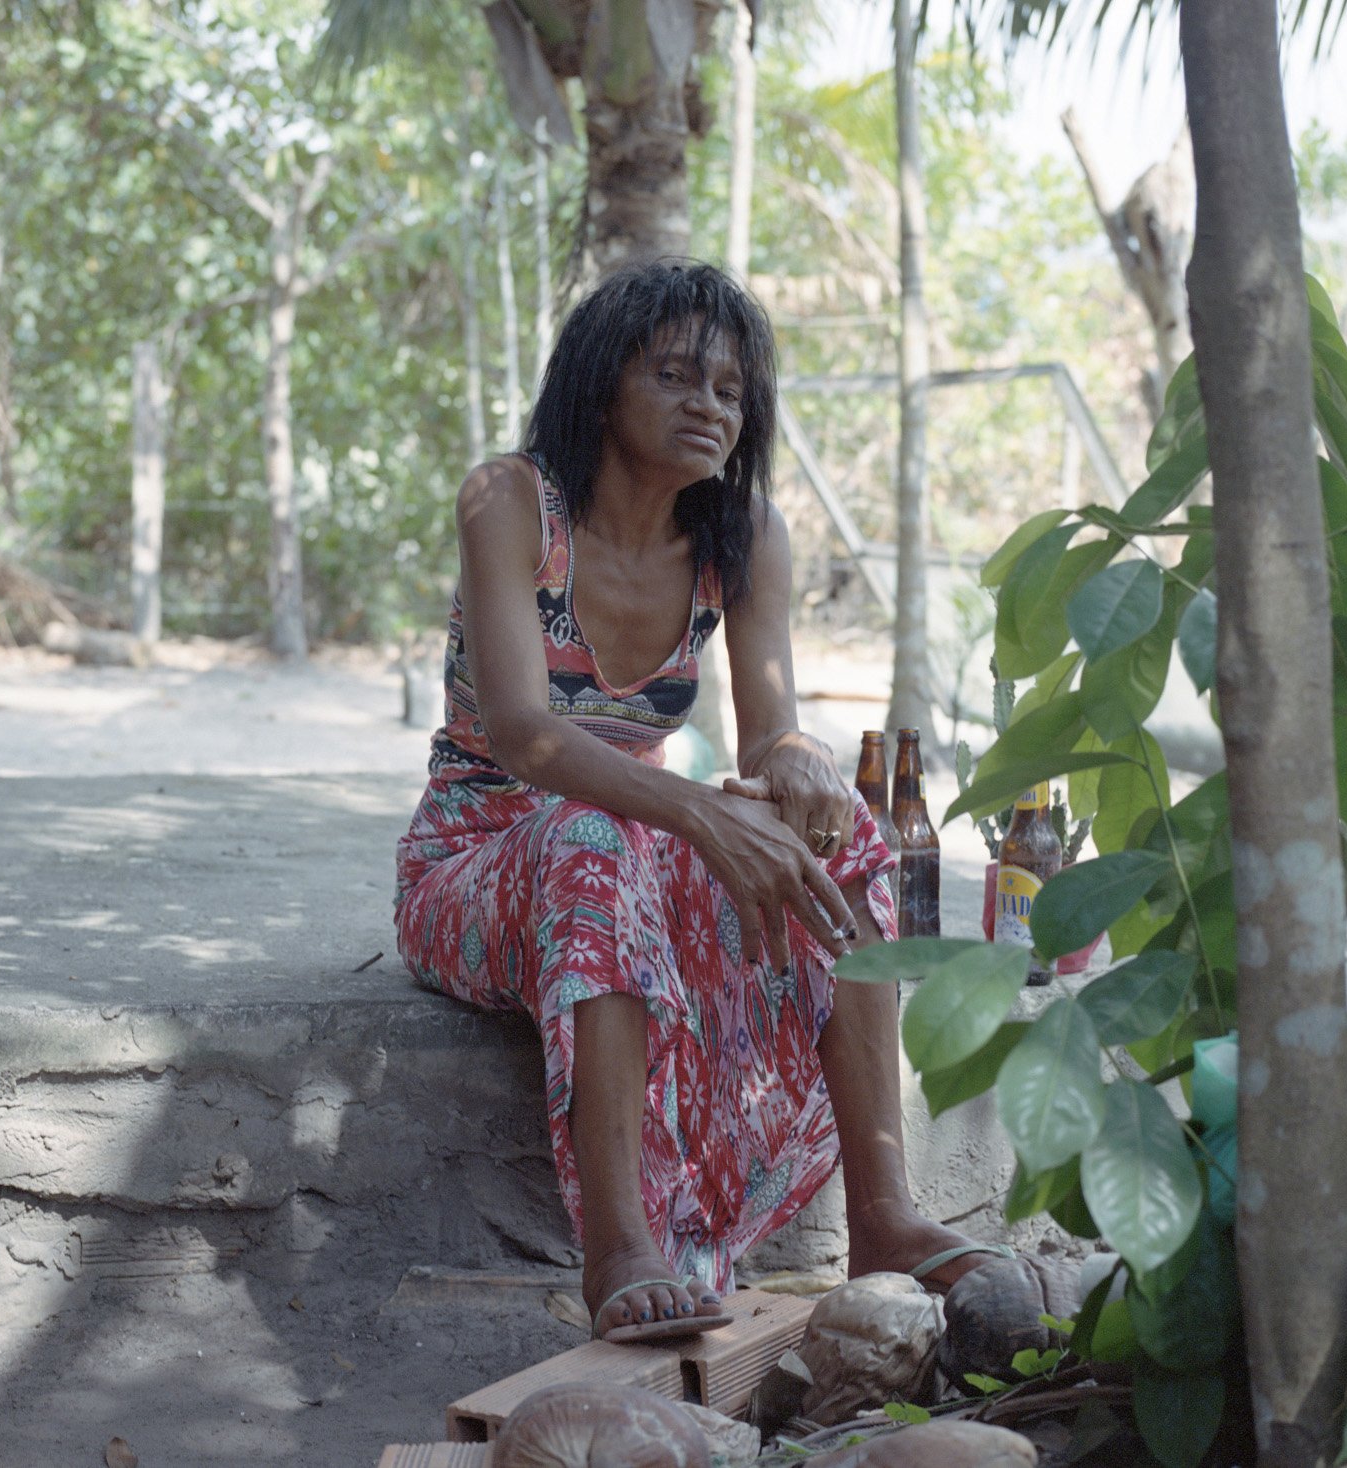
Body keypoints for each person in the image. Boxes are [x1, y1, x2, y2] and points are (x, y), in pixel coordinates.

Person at [394, 260, 995, 1345]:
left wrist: (799, 763)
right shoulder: (511, 503)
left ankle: (885, 1215)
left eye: (729, 389)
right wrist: (693, 812)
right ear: (600, 385)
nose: (708, 405)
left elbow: (770, 728)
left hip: (629, 845)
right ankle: (620, 1244)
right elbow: (527, 735)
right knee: (590, 833)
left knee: (850, 830)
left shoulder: (744, 535)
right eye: (673, 375)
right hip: (478, 861)